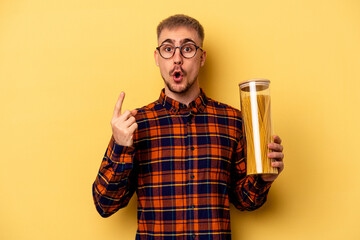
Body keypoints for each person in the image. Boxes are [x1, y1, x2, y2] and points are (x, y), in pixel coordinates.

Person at [92, 14, 284, 240]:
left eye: (188, 49)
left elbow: (245, 201)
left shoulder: (233, 121)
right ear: (157, 57)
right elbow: (105, 204)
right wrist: (121, 147)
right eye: (168, 48)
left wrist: (264, 179)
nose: (177, 59)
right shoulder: (134, 126)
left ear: (201, 57)